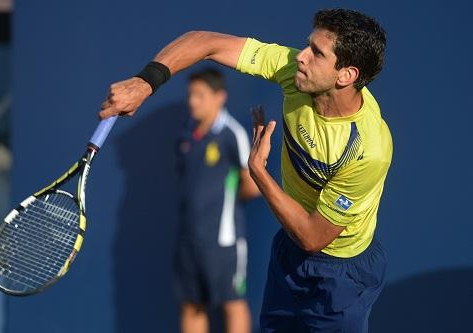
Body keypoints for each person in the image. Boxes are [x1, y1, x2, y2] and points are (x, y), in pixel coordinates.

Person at [100, 8, 392, 333]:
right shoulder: (294, 72)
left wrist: (259, 172)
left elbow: (313, 237)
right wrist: (145, 82)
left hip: (342, 273)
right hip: (289, 251)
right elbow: (205, 42)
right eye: (308, 45)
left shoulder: (368, 150)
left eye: (317, 53)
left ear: (346, 75)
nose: (301, 57)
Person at [174, 67, 260, 333]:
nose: (193, 101)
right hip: (189, 238)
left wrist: (226, 203)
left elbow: (253, 185)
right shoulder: (186, 134)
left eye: (200, 95)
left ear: (219, 96)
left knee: (232, 304)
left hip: (224, 240)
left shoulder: (232, 133)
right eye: (191, 94)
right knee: (192, 305)